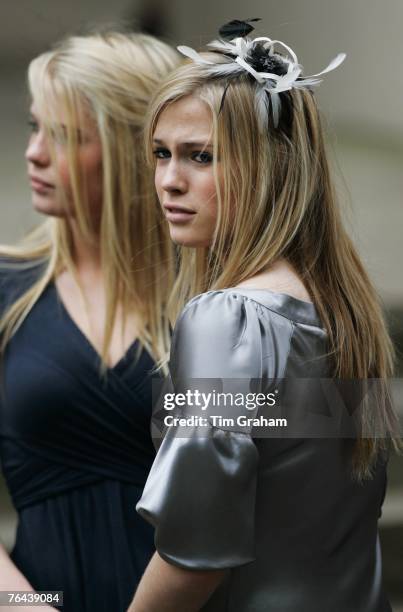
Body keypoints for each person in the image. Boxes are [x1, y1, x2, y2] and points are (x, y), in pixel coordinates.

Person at [128, 21, 401, 612]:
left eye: (200, 157)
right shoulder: (345, 312)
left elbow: (195, 552)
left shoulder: (226, 322)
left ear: (268, 167)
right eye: (161, 154)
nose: (169, 181)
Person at [0, 32, 179, 612]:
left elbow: (323, 469)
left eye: (65, 136)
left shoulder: (223, 300)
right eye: (35, 127)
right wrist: (22, 605)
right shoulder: (7, 286)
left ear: (136, 150)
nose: (35, 153)